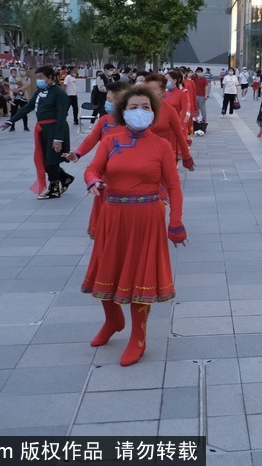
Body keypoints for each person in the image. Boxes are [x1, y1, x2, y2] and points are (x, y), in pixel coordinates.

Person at [82, 85, 187, 366]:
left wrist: (175, 222)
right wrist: (93, 181)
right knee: (107, 269)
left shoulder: (161, 146)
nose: (139, 112)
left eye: (146, 107)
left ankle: (137, 337)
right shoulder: (110, 140)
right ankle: (113, 320)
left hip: (147, 219)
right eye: (133, 107)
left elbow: (174, 188)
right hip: (113, 215)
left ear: (153, 112)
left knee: (141, 278)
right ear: (122, 112)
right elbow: (92, 169)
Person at [63, 81, 131, 238]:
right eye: (107, 99)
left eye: (111, 100)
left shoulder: (133, 123)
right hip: (106, 173)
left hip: (127, 174)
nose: (108, 103)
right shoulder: (104, 121)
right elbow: (90, 140)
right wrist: (77, 154)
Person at [1, 66, 73, 200]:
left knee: (51, 160)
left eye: (41, 78)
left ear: (50, 78)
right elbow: (28, 107)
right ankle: (65, 177)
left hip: (55, 127)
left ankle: (54, 189)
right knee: (43, 159)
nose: (39, 80)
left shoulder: (59, 93)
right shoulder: (40, 91)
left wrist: (58, 138)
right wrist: (11, 121)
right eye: (38, 78)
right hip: (43, 129)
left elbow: (62, 115)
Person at [8, 68, 31, 132]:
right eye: (21, 70)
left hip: (23, 97)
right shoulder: (15, 78)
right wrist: (14, 91)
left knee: (24, 112)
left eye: (24, 70)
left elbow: (26, 86)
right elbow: (11, 86)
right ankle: (12, 126)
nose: (22, 71)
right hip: (15, 97)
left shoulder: (27, 79)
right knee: (13, 112)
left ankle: (25, 126)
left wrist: (18, 90)